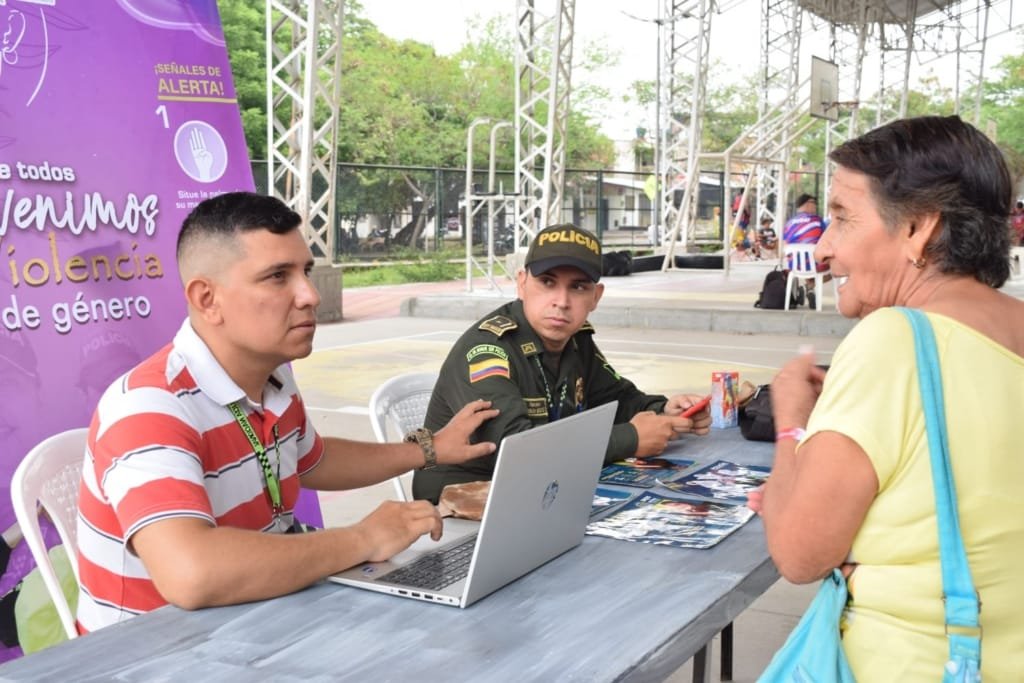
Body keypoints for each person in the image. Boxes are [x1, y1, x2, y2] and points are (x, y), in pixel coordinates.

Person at [76, 192, 500, 633]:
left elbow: (312, 460)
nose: (310, 295)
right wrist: (363, 538)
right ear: (207, 299)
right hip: (152, 651)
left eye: (306, 272)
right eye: (278, 276)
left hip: (255, 621)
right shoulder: (148, 405)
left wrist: (430, 450)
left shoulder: (273, 376)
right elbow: (191, 573)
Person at [750, 116, 1024, 680]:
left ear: (918, 228)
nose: (823, 248)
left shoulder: (895, 340)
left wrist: (791, 422)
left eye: (843, 217)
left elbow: (799, 553)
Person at [412, 223, 711, 503]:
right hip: (462, 500)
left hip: (542, 489)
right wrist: (630, 439)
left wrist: (663, 411)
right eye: (547, 282)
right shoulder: (488, 351)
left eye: (578, 287)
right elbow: (517, 450)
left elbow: (616, 399)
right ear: (521, 283)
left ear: (596, 297)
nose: (562, 302)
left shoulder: (575, 340)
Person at [782, 192, 827, 308]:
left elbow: (785, 245)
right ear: (807, 204)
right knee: (837, 269)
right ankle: (810, 286)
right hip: (815, 264)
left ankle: (807, 287)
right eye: (814, 203)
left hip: (794, 266)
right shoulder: (817, 221)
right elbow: (826, 240)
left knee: (806, 261)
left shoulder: (789, 223)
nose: (815, 206)